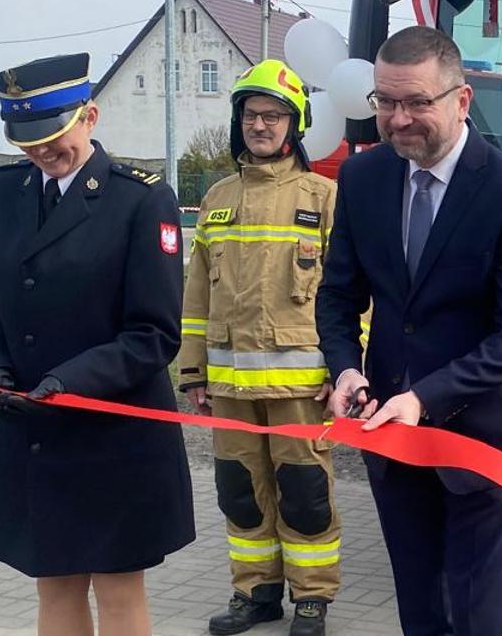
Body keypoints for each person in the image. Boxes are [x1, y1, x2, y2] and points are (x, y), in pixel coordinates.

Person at [316, 27, 502, 635]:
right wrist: (345, 369)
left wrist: (424, 398)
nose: (399, 120)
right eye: (386, 102)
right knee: (420, 613)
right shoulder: (362, 180)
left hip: (482, 440)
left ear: (461, 99)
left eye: (417, 102)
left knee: (477, 618)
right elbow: (338, 296)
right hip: (392, 441)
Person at [0, 52, 193, 635]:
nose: (42, 152)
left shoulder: (139, 199)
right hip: (32, 429)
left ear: (89, 116)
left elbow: (153, 333)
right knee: (55, 582)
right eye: (28, 142)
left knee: (117, 586)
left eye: (52, 137)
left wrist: (67, 382)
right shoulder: (3, 193)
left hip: (112, 428)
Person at [177, 60, 341, 636]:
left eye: (273, 115)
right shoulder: (218, 199)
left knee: (305, 495)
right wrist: (192, 372)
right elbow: (197, 293)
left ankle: (313, 598)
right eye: (251, 114)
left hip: (302, 388)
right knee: (240, 493)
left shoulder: (325, 197)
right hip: (229, 388)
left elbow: (352, 296)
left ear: (295, 124)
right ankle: (256, 594)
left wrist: (345, 371)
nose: (260, 125)